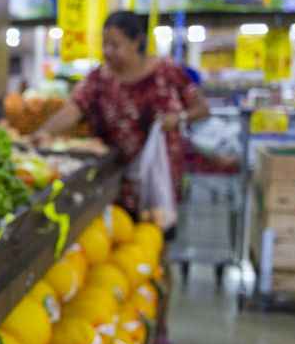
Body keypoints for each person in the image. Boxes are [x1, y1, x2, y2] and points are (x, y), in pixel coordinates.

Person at [39, 11, 210, 228]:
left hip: (160, 176)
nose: (107, 52)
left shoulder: (167, 71)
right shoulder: (99, 79)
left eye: (115, 45)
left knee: (156, 234)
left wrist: (178, 118)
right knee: (120, 236)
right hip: (115, 180)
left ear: (137, 42)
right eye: (104, 44)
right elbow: (73, 109)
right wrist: (41, 134)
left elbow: (202, 108)